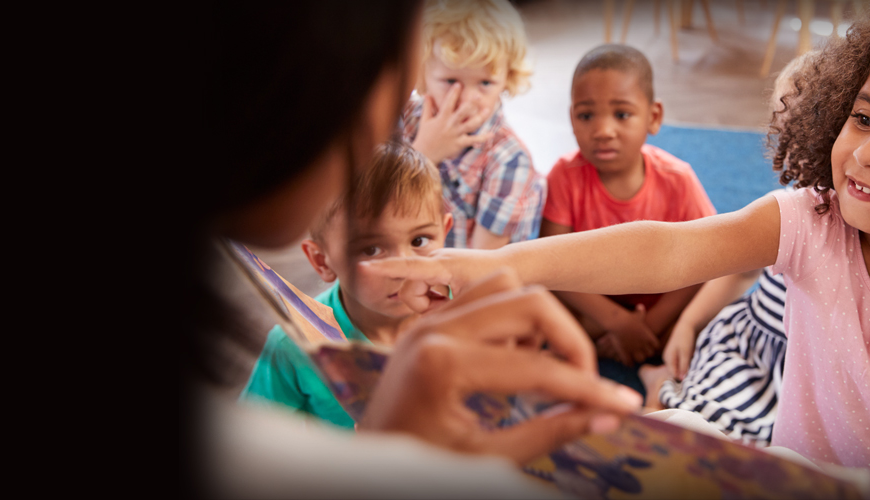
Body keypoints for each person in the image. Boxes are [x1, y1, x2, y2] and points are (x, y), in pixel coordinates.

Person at [367, 1, 870, 498]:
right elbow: (667, 250)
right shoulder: (812, 223)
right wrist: (501, 262)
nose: (866, 153)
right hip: (795, 483)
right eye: (862, 117)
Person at [190, 1, 640, 496]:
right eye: (442, 80)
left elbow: (483, 270)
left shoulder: (502, 172)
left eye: (485, 83)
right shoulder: (292, 347)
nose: (461, 98)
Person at [634, 51, 822, 446]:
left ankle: (662, 389)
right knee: (688, 424)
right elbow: (740, 270)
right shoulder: (789, 210)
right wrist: (688, 323)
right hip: (749, 350)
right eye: (783, 131)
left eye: (809, 133)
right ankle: (659, 387)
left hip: (804, 373)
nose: (791, 149)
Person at [538, 44, 716, 397]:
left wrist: (648, 326)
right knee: (536, 304)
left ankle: (643, 356)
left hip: (659, 307)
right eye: (586, 116)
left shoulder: (678, 178)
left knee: (712, 317)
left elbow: (706, 260)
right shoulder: (564, 175)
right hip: (591, 304)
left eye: (621, 115)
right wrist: (616, 322)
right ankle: (601, 343)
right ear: (571, 117)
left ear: (653, 116)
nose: (603, 130)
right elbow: (548, 266)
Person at [239, 142, 456, 430]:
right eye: (371, 249)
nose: (405, 269)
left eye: (419, 241)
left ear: (445, 231)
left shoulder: (467, 310)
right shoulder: (293, 345)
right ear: (322, 261)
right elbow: (257, 439)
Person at [400, 0, 544, 250]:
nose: (466, 99)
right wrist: (423, 154)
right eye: (450, 80)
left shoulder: (509, 160)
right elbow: (368, 209)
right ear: (421, 73)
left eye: (485, 83)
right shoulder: (403, 120)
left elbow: (481, 268)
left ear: (507, 78)